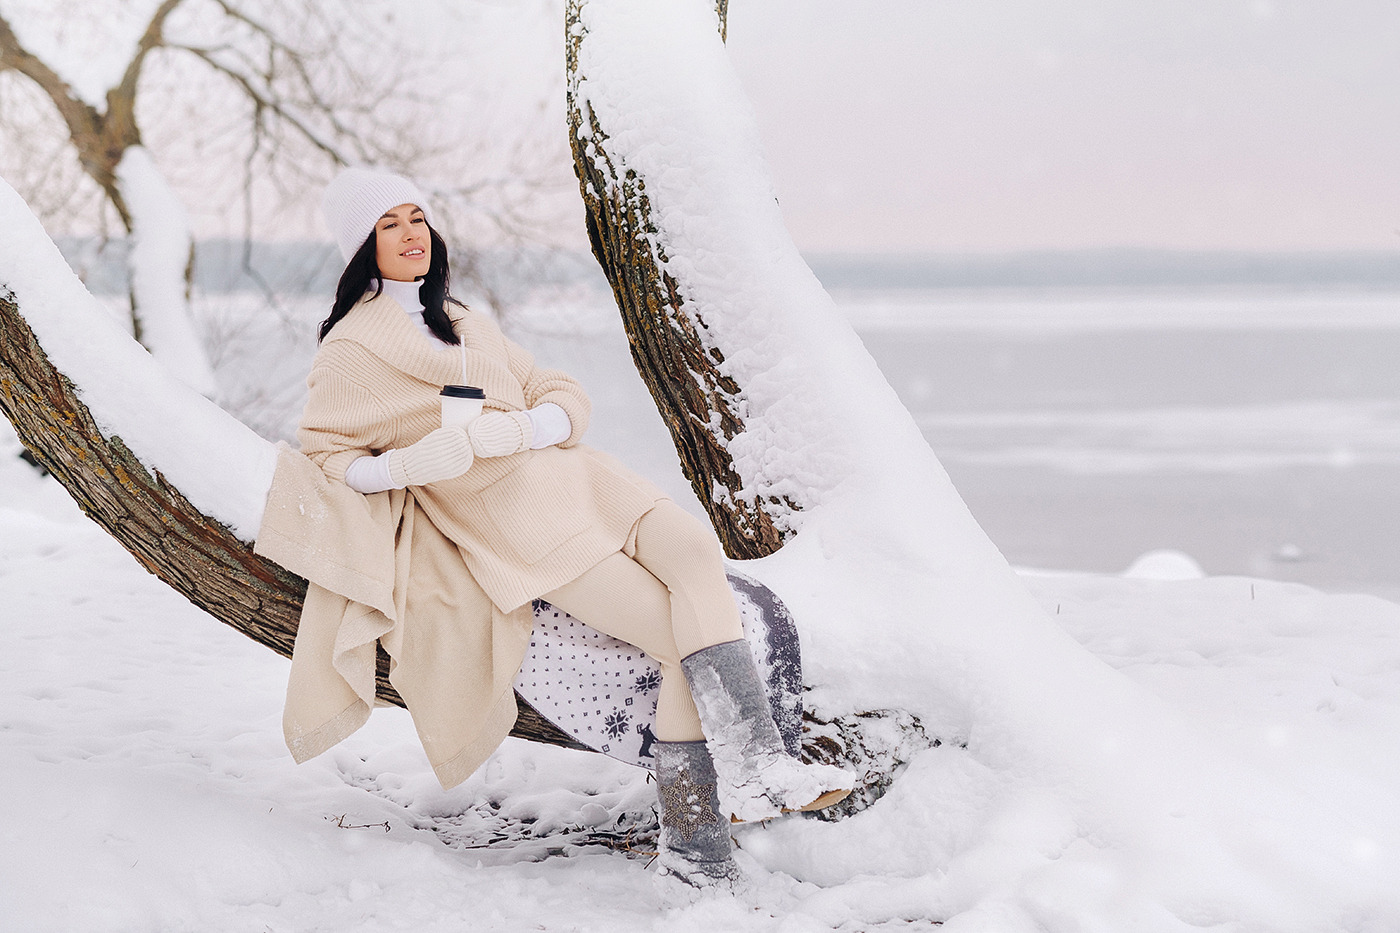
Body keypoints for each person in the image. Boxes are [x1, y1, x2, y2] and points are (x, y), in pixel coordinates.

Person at [258, 167, 852, 888]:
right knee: (675, 643)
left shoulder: (465, 319)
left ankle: (758, 765)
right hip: (518, 528)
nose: (412, 233)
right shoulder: (351, 351)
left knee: (695, 549)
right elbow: (326, 457)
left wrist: (530, 425)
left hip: (584, 482)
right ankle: (696, 852)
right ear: (363, 246)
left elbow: (560, 389)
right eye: (390, 224)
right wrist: (412, 463)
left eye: (417, 216)